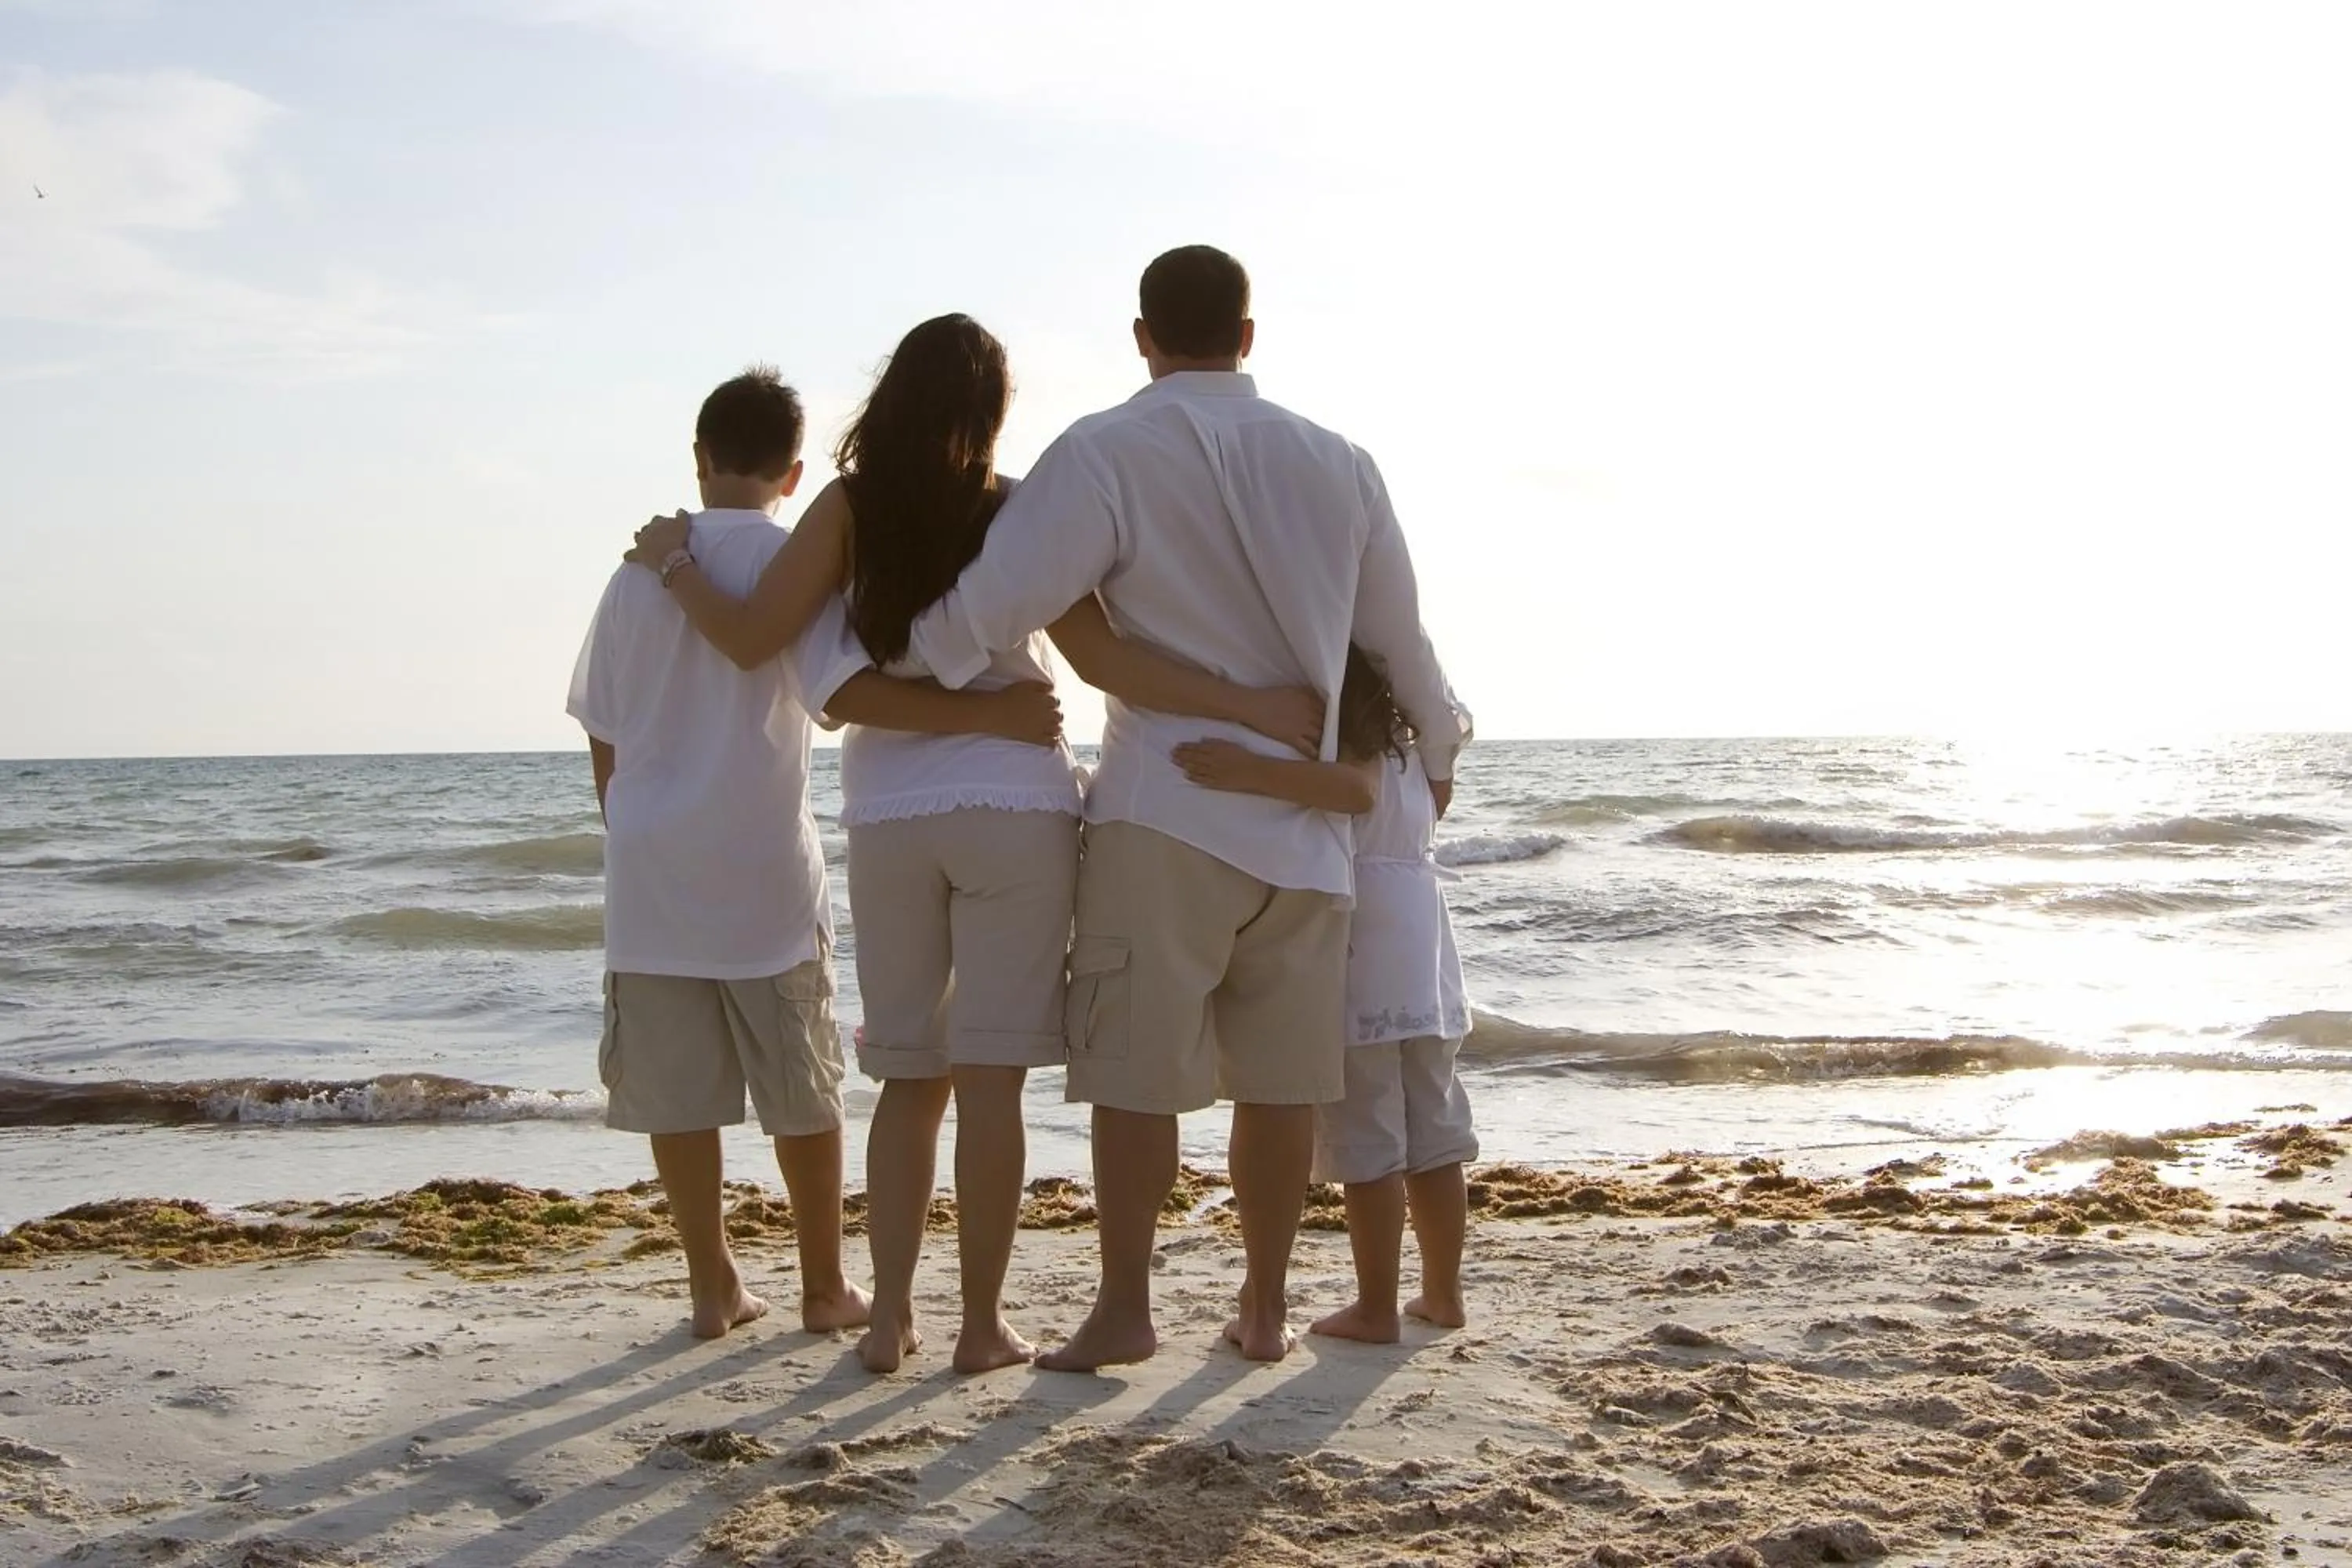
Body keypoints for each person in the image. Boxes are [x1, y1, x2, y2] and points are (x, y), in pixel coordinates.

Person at [622, 316, 1324, 1374]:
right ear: (991, 411)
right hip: (1017, 813)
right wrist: (1248, 702)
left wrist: (676, 563)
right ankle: (981, 1328)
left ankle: (893, 1318)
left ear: (889, 395)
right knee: (992, 1085)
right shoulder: (1017, 508)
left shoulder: (847, 507)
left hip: (892, 817)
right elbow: (1097, 660)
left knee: (911, 1080)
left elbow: (769, 645)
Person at [897, 245, 1467, 1369]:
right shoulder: (1340, 461)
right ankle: (1260, 1309)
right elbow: (1402, 644)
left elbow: (986, 610)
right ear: (1248, 335)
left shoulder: (1106, 448)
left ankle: (1125, 1309)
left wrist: (902, 656)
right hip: (1306, 837)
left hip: (1163, 809)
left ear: (1143, 335)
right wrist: (1437, 760)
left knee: (1134, 1078)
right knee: (1280, 1087)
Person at [565, 366, 870, 1341]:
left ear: (699, 458)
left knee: (678, 1094)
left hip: (656, 867)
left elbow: (602, 730)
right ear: (792, 471)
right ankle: (824, 1285)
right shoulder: (798, 566)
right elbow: (833, 699)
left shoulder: (636, 573)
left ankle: (713, 1285)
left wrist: (638, 822)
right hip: (765, 866)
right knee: (802, 1088)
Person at [1172, 647, 1476, 1343]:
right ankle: (1442, 1294)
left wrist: (1248, 772)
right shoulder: (1414, 749)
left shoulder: (1359, 744)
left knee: (1368, 1130)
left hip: (1366, 935)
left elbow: (1353, 793)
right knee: (1433, 1125)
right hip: (1425, 938)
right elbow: (1428, 796)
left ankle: (1375, 1308)